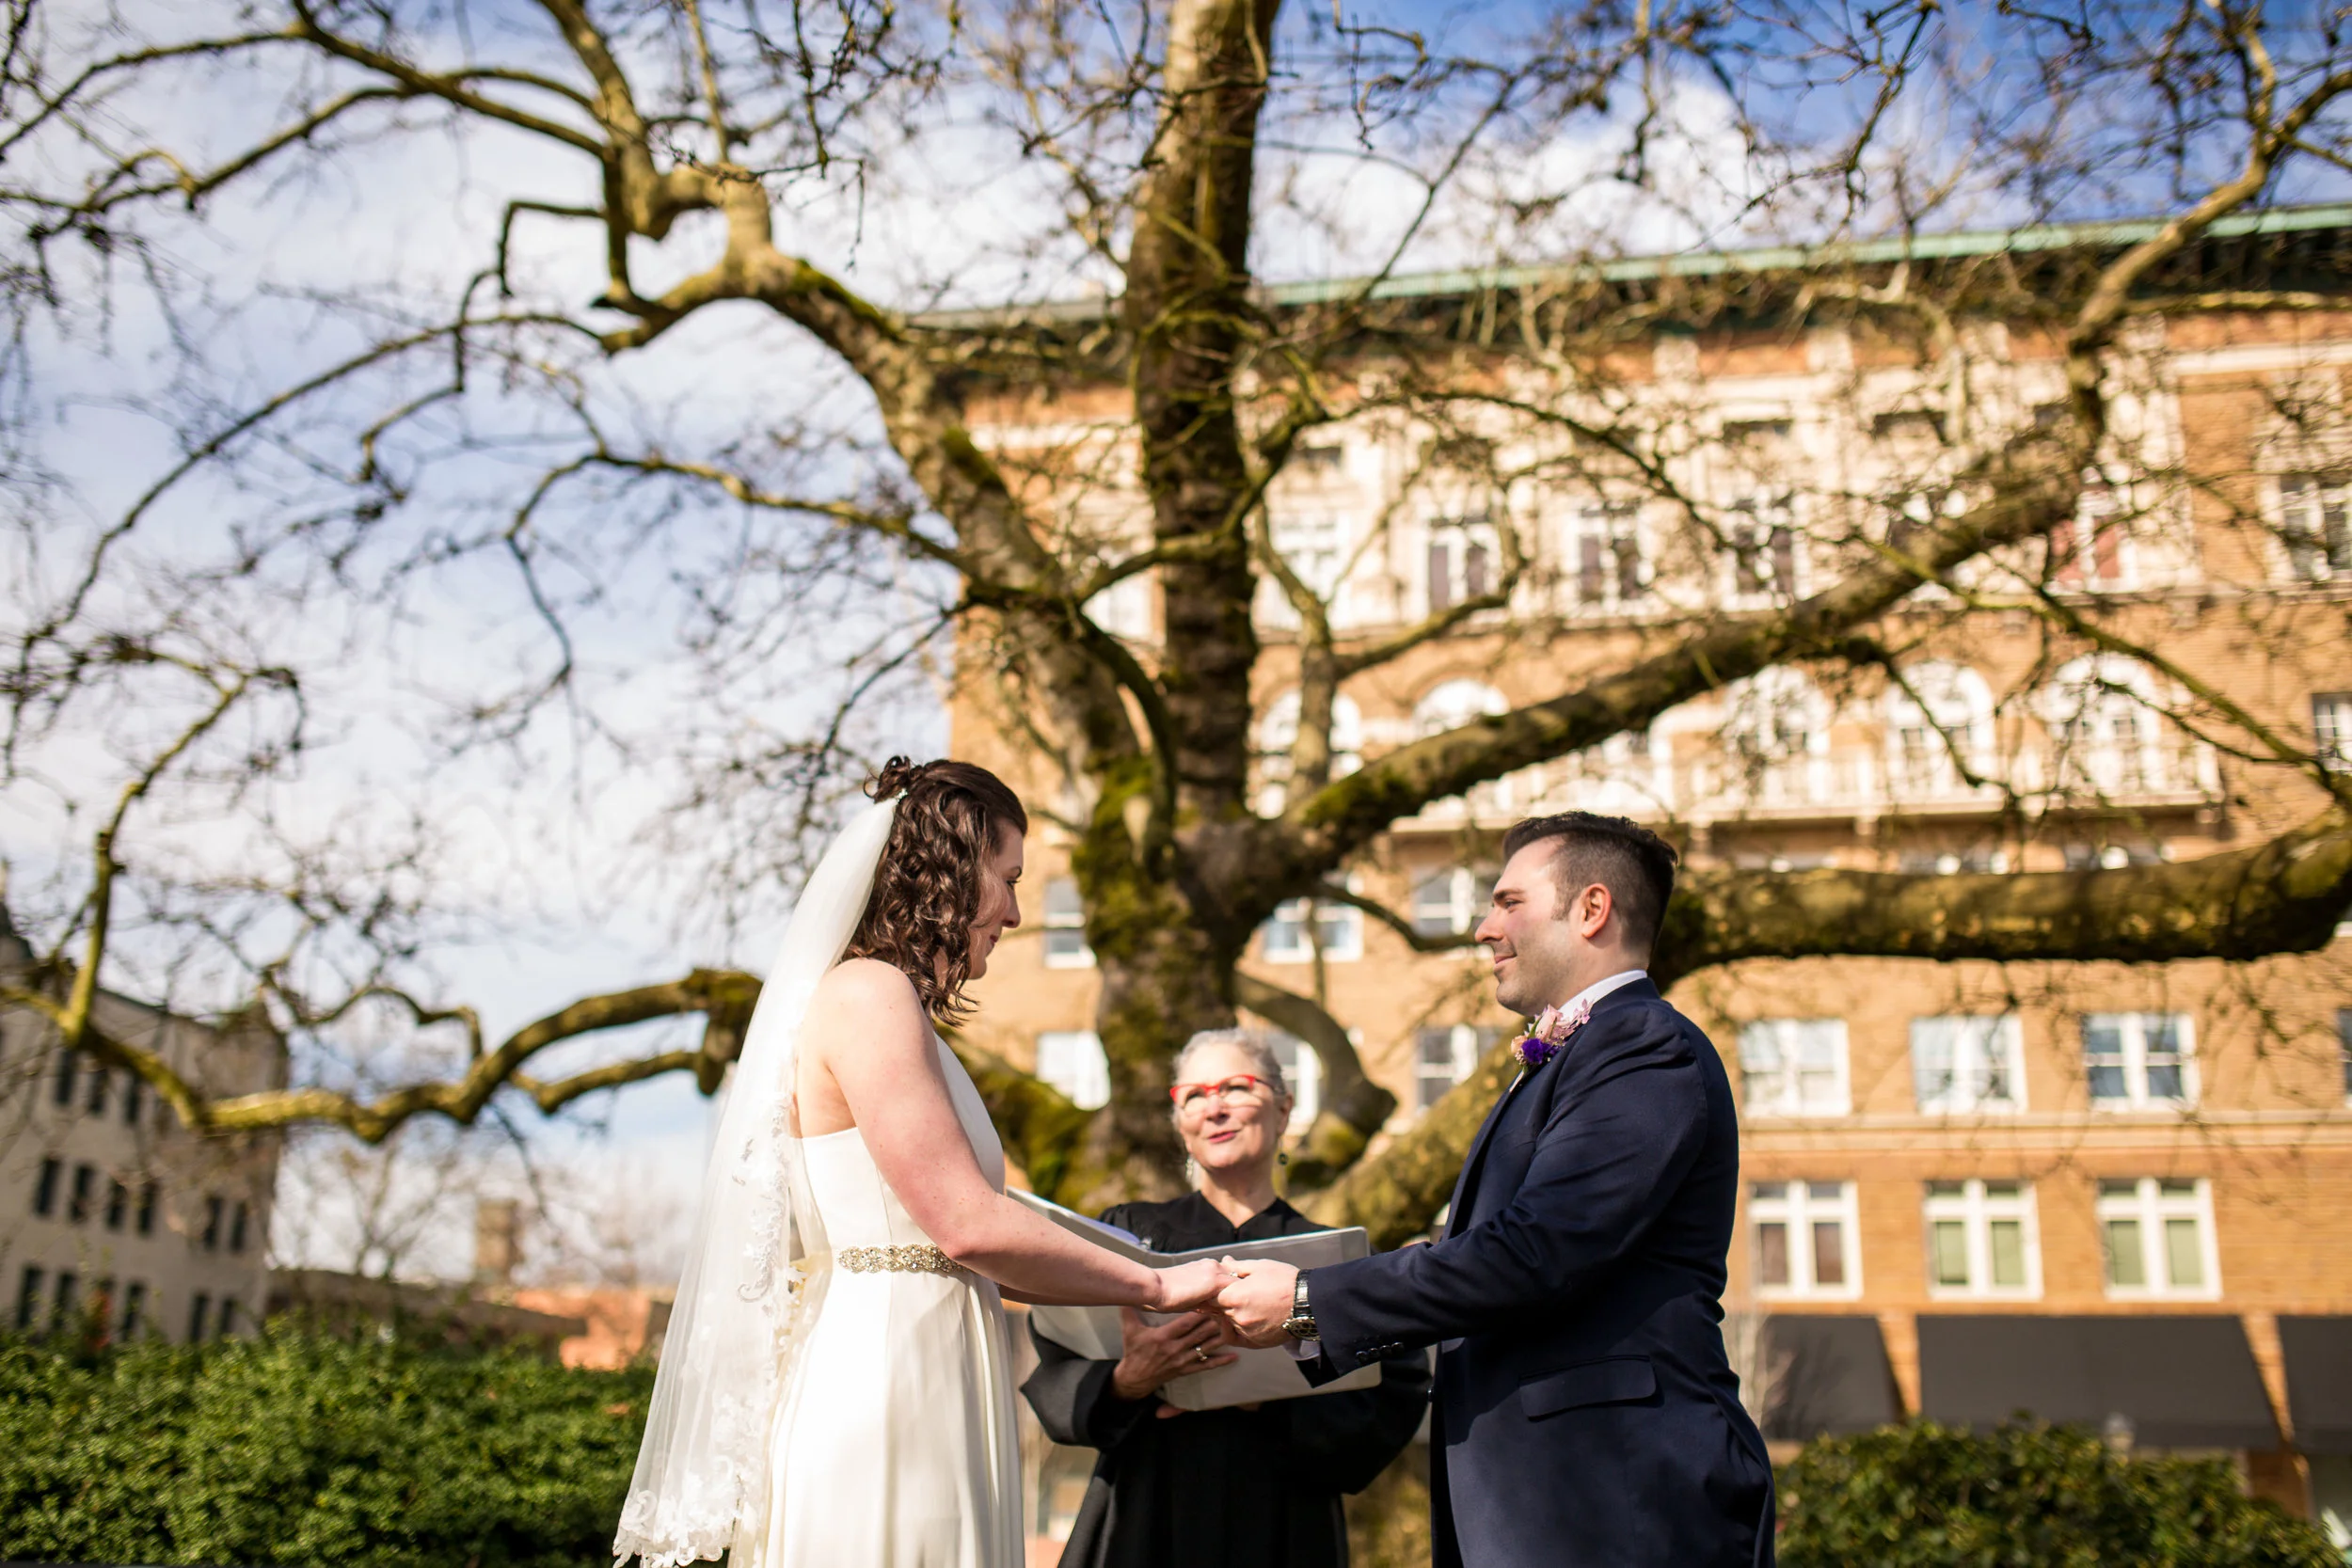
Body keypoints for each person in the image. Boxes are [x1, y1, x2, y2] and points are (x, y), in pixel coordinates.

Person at [615, 758, 1229, 1568]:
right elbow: (968, 1223)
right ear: (946, 868)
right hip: (884, 1372)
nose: (1013, 910)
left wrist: (1145, 1274)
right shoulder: (868, 994)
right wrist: (1156, 1282)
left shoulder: (901, 1016)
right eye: (1006, 877)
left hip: (932, 1352)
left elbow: (985, 1238)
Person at [1216, 812, 1774, 1568]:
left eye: (1508, 901)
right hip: (1552, 1501)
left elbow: (1537, 1250)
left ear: (1591, 909)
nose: (1482, 928)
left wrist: (1310, 1302)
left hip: (1617, 1498)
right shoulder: (1573, 1058)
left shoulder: (1644, 1045)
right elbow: (1488, 1253)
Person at [1022, 1028, 1430, 1568]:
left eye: (1235, 1087)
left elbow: (1393, 1390)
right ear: (1181, 1126)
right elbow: (1058, 1355)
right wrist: (1126, 1380)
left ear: (1283, 1110)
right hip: (1144, 1511)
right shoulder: (1128, 1234)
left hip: (1284, 1519)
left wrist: (1261, 1395)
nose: (1214, 1109)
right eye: (1193, 1095)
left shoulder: (1339, 1258)